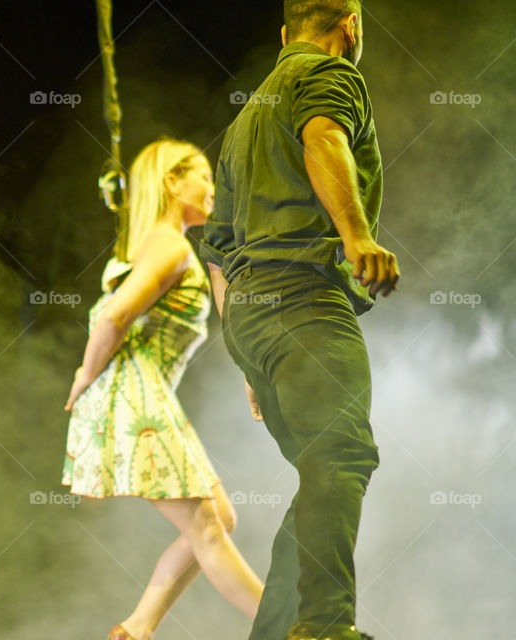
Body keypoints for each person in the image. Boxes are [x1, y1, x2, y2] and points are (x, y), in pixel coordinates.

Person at [200, 1, 400, 639]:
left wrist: (250, 357)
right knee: (341, 456)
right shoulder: (328, 73)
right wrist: (357, 234)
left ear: (283, 34)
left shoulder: (244, 118)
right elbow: (324, 136)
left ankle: (283, 631)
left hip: (253, 318)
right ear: (352, 24)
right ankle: (322, 627)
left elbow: (217, 246)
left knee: (324, 465)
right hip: (304, 297)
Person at [62, 138, 264, 640]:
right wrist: (85, 374)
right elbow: (116, 313)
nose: (211, 188)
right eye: (201, 175)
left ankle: (136, 628)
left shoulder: (161, 240)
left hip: (143, 393)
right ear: (171, 181)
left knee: (219, 519)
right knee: (210, 529)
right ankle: (291, 627)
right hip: (137, 394)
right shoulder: (169, 242)